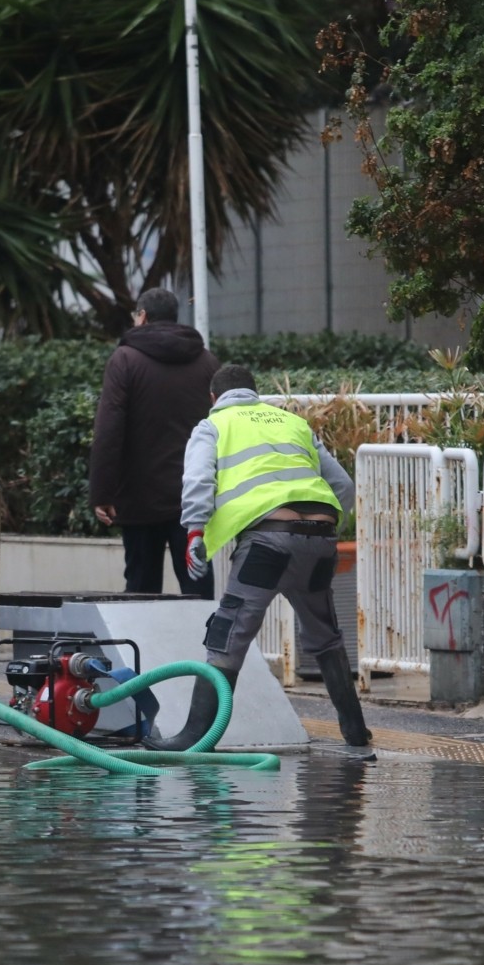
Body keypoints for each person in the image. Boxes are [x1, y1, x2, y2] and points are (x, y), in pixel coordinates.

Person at [149, 362, 372, 751]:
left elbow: (198, 479)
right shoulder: (293, 424)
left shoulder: (213, 425)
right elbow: (343, 485)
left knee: (227, 635)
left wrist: (195, 532)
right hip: (320, 539)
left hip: (268, 543)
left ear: (214, 398)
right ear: (255, 393)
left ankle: (194, 738)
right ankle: (355, 732)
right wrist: (324, 528)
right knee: (325, 637)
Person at [87, 288, 219, 598]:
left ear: (143, 316)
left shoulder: (125, 359)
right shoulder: (207, 361)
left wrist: (102, 492)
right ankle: (205, 633)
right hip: (193, 495)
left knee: (141, 593)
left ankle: (144, 635)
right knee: (198, 589)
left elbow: (109, 429)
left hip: (139, 498)